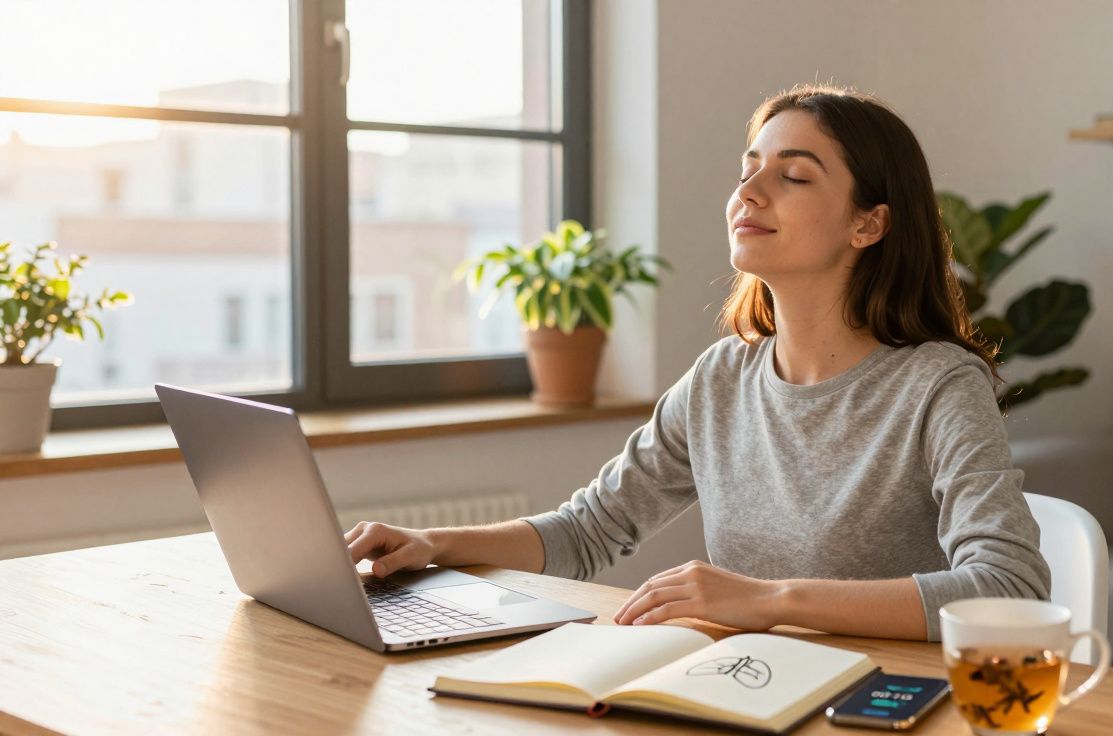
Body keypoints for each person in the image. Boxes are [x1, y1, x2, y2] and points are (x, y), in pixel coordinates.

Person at [344, 83, 1050, 642]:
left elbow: (1009, 587)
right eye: (749, 170)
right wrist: (432, 543)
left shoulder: (938, 385)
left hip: (882, 702)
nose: (749, 192)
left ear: (869, 224)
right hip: (750, 686)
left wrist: (769, 600)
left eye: (793, 176)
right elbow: (589, 530)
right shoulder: (722, 379)